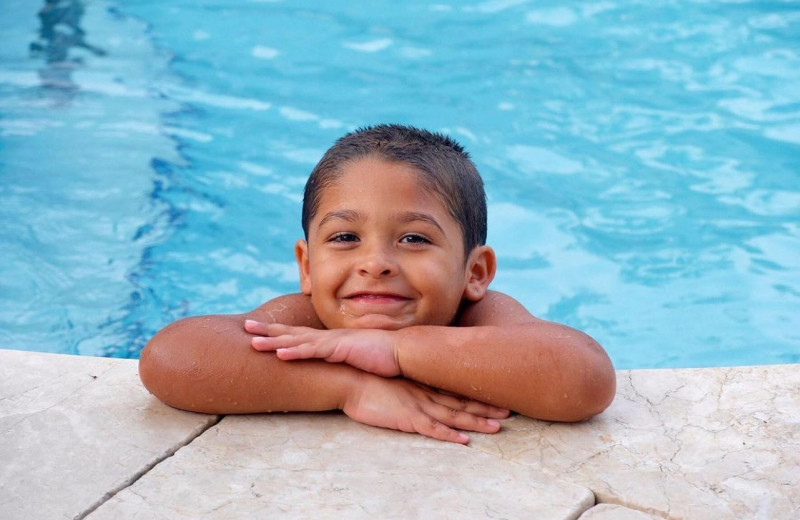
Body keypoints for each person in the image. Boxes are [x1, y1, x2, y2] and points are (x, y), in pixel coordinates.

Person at [139, 124, 616, 444]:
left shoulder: (480, 317)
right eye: (345, 237)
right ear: (307, 266)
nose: (375, 263)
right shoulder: (309, 321)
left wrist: (397, 351)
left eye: (413, 238)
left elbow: (585, 380)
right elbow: (173, 358)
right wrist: (350, 388)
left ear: (474, 273)